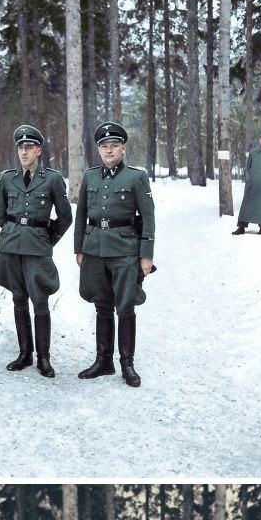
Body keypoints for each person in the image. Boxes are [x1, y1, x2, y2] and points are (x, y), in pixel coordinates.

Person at [74, 121, 155, 388]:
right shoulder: (90, 176)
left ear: (122, 148)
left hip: (124, 250)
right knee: (101, 304)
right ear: (99, 149)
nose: (109, 151)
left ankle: (127, 364)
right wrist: (79, 248)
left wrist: (146, 255)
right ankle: (103, 361)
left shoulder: (136, 176)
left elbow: (148, 218)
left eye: (114, 146)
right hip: (95, 249)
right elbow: (82, 213)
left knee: (126, 305)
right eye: (104, 146)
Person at [0, 125, 73, 377]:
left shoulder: (52, 179)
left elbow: (65, 217)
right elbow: (0, 214)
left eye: (29, 147)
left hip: (38, 247)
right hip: (12, 246)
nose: (24, 152)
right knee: (18, 299)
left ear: (39, 150)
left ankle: (44, 358)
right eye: (21, 147)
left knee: (40, 301)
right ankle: (24, 354)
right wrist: (12, 231)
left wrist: (48, 238)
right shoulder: (7, 178)